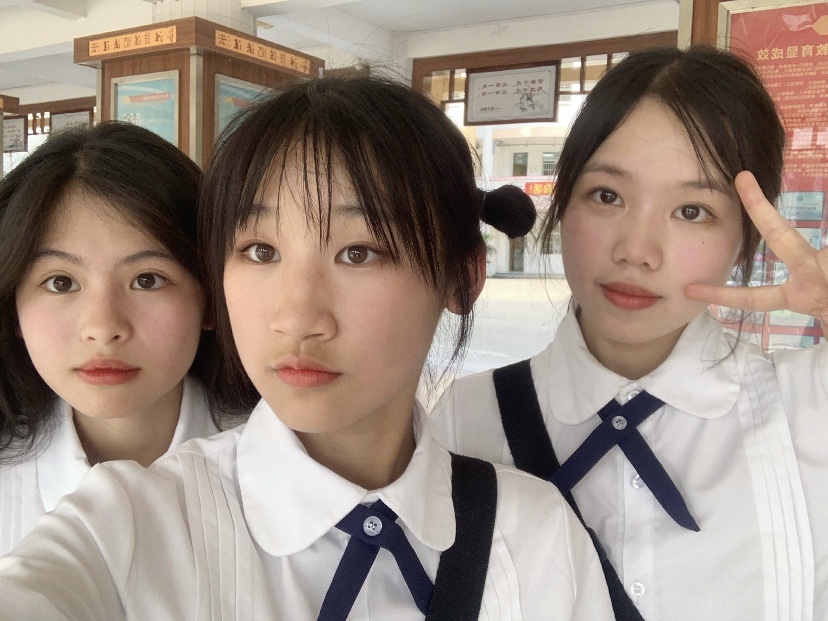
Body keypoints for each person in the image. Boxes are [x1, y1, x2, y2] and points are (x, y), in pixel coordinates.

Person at [0, 77, 613, 620]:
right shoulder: (133, 519)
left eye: (359, 252)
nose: (296, 317)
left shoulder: (535, 537)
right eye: (260, 251)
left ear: (462, 278)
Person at [430, 46, 828, 621]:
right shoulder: (464, 418)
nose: (637, 251)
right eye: (607, 195)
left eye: (692, 211)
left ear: (745, 240)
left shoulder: (811, 408)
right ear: (564, 205)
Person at [0, 122, 224, 557]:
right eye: (61, 282)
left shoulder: (293, 461)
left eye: (147, 279)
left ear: (211, 301)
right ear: (13, 310)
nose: (103, 327)